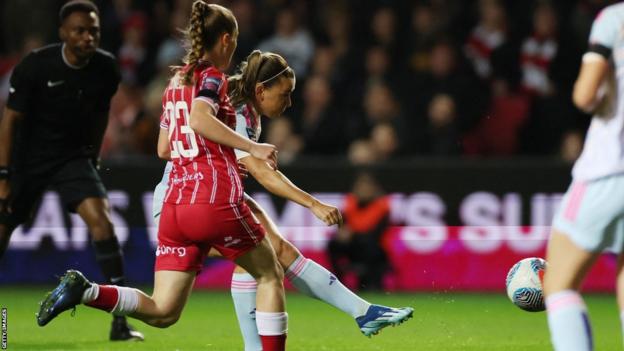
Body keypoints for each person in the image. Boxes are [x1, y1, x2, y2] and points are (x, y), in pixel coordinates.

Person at [36, 3, 289, 351]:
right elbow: (200, 119)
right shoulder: (211, 75)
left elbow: (163, 148)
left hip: (175, 206)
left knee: (163, 311)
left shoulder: (175, 81)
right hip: (212, 198)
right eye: (235, 41)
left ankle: (87, 290)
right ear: (227, 39)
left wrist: (201, 145)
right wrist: (250, 147)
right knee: (269, 272)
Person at [152, 50, 413, 350]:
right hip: (187, 202)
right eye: (284, 95)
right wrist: (313, 203)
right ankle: (362, 312)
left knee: (268, 256)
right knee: (270, 256)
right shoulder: (235, 113)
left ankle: (361, 312)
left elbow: (170, 148)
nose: (289, 103)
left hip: (208, 196)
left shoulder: (247, 111)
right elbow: (263, 174)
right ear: (261, 90)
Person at [0, 0, 142, 341]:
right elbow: (9, 122)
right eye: (79, 30)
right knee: (2, 229)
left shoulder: (106, 69)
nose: (87, 37)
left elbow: (99, 114)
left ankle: (120, 322)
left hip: (71, 159)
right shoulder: (35, 66)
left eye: (93, 30)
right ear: (63, 33)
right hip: (26, 160)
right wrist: (4, 176)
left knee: (103, 221)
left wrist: (92, 155)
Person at [543, 3, 624, 350]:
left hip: (610, 169)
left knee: (559, 283)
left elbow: (585, 95)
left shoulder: (614, 19)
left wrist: (603, 95)